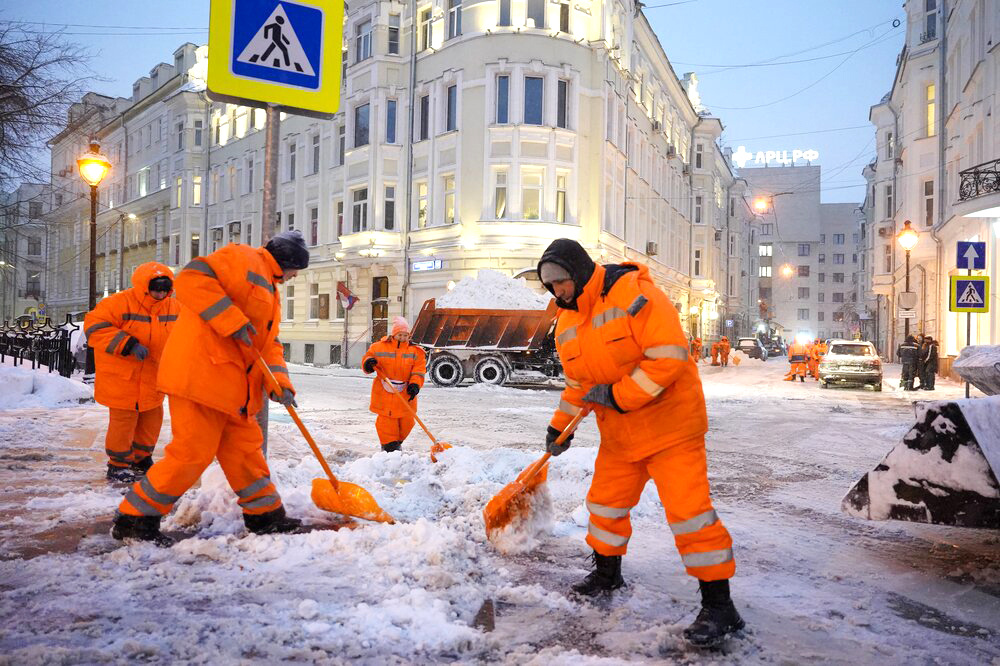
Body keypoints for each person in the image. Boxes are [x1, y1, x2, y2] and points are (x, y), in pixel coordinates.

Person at [537, 238, 743, 648]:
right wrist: (560, 427)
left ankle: (720, 607)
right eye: (550, 285)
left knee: (690, 516)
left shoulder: (635, 293)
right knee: (604, 505)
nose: (557, 291)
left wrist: (616, 396)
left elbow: (669, 357)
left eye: (561, 281)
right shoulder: (567, 325)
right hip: (621, 436)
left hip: (672, 429)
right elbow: (577, 385)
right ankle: (606, 574)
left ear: (578, 272)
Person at [111, 231, 309, 546]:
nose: (295, 277)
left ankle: (267, 516)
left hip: (234, 391)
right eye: (296, 270)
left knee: (246, 453)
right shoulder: (243, 258)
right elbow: (190, 279)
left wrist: (280, 383)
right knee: (192, 453)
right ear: (288, 261)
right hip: (202, 379)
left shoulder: (270, 288)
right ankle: (134, 518)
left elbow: (267, 345)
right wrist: (231, 320)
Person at [84, 263, 179, 482]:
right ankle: (117, 464)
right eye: (156, 290)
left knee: (152, 419)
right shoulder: (119, 303)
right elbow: (94, 327)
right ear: (145, 287)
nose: (160, 294)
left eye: (165, 290)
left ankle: (141, 458)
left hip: (153, 377)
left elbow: (187, 332)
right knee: (124, 423)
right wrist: (127, 344)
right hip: (123, 379)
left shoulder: (174, 307)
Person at [361, 317, 427, 452]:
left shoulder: (415, 352)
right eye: (400, 335)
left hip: (405, 393)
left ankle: (396, 442)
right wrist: (368, 362)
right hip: (385, 392)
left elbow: (419, 371)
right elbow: (367, 357)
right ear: (393, 334)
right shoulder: (379, 347)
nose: (402, 338)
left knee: (408, 422)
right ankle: (389, 447)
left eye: (405, 335)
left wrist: (415, 384)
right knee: (387, 422)